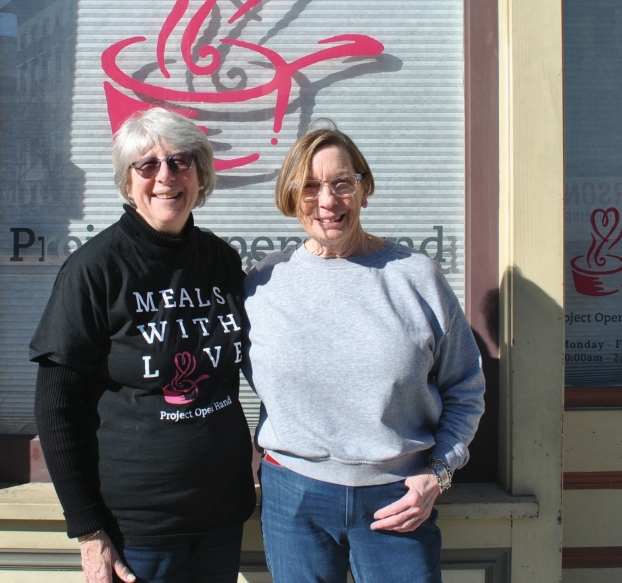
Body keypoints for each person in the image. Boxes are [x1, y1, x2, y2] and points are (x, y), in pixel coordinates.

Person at [243, 124, 485, 583]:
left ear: (365, 189)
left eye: (342, 183)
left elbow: (465, 387)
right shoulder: (263, 284)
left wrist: (440, 472)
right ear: (291, 198)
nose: (328, 201)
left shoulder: (415, 277)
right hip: (294, 499)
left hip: (396, 497)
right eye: (309, 187)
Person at [31, 108, 256, 583]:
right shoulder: (96, 269)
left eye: (180, 161)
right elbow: (56, 408)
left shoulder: (220, 259)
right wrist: (89, 530)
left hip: (221, 517)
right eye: (147, 165)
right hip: (137, 532)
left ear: (200, 173)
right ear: (128, 181)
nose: (165, 177)